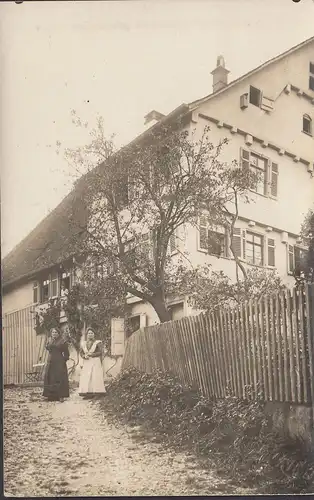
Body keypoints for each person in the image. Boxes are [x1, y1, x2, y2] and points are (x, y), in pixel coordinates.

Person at [43, 327, 70, 402]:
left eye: (56, 332)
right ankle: (51, 396)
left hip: (59, 362)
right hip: (50, 361)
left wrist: (63, 361)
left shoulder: (63, 341)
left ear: (58, 333)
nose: (54, 334)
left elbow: (67, 354)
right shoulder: (50, 341)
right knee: (50, 378)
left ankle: (61, 396)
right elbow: (48, 349)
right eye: (53, 332)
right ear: (51, 334)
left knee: (59, 378)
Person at [79, 328, 106, 399]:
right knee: (87, 377)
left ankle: (97, 393)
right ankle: (88, 393)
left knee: (95, 377)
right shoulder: (84, 343)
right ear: (87, 335)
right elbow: (81, 352)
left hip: (95, 361)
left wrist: (92, 355)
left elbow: (100, 352)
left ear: (94, 334)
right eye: (89, 333)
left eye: (92, 333)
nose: (90, 335)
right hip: (87, 362)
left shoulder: (98, 343)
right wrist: (84, 356)